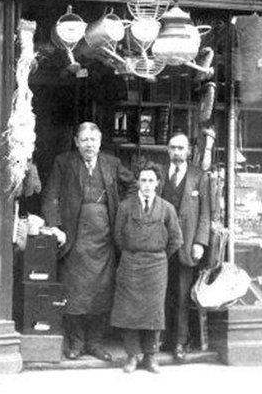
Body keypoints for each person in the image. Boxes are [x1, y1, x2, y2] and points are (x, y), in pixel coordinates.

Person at [43, 122, 133, 362]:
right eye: (84, 140)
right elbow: (50, 196)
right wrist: (56, 227)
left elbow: (134, 186)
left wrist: (124, 215)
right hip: (74, 240)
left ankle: (95, 343)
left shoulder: (112, 164)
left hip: (104, 241)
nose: (89, 145)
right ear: (76, 142)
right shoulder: (64, 162)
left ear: (100, 141)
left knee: (101, 294)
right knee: (74, 294)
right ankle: (76, 342)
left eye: (93, 140)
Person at [111, 164, 182, 373]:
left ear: (158, 183)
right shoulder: (125, 206)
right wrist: (133, 252)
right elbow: (117, 236)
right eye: (143, 180)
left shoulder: (167, 208)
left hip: (157, 266)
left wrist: (157, 255)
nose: (147, 185)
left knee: (154, 311)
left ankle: (151, 356)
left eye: (151, 180)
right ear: (138, 182)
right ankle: (132, 356)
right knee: (129, 311)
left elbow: (176, 239)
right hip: (130, 263)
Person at [162, 131, 211, 363]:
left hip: (187, 244)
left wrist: (200, 242)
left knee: (182, 295)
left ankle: (180, 342)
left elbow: (206, 214)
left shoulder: (199, 176)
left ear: (189, 151)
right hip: (161, 246)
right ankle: (161, 338)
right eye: (173, 148)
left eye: (181, 148)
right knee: (161, 293)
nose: (177, 152)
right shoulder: (160, 174)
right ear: (168, 150)